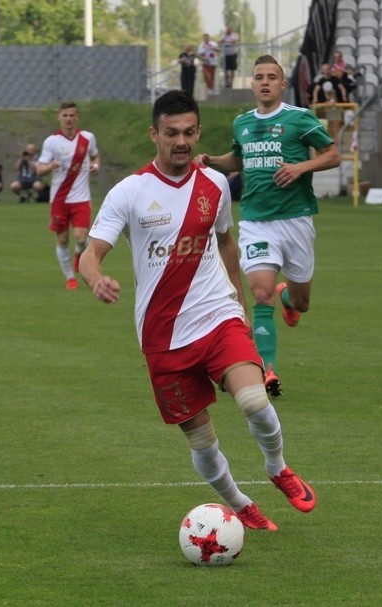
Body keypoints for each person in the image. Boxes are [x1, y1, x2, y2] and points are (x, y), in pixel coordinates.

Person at [78, 89, 317, 532]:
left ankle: (277, 467)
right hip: (162, 336)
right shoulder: (130, 192)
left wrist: (240, 301)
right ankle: (241, 504)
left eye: (189, 132)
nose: (181, 141)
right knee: (202, 441)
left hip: (216, 316)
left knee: (253, 400)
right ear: (155, 134)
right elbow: (90, 254)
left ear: (199, 132)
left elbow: (225, 240)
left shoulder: (216, 184)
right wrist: (96, 279)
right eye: (171, 133)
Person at [194, 55, 341, 397]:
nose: (264, 82)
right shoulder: (242, 123)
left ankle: (287, 298)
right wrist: (212, 160)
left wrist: (301, 168)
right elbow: (240, 158)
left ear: (281, 84)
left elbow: (332, 155)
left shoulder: (299, 118)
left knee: (301, 301)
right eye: (259, 76)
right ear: (252, 84)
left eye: (271, 77)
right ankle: (266, 369)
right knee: (259, 292)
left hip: (296, 220)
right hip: (257, 221)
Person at [37, 100, 100, 290]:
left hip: (81, 198)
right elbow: (40, 170)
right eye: (65, 116)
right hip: (59, 199)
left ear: (77, 117)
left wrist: (96, 165)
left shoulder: (87, 138)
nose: (69, 119)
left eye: (72, 115)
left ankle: (79, 256)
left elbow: (95, 156)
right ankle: (70, 277)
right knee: (63, 239)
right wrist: (50, 166)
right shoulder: (52, 142)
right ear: (59, 117)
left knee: (81, 237)